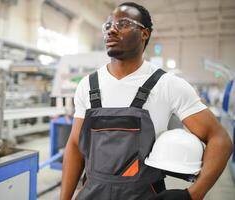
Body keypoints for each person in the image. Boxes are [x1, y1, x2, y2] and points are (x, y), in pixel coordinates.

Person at [60, 2, 232, 200]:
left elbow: (220, 140)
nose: (111, 30)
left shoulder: (167, 85)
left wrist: (194, 194)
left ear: (145, 33)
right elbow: (74, 146)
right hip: (92, 193)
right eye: (107, 25)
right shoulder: (88, 85)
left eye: (122, 24)